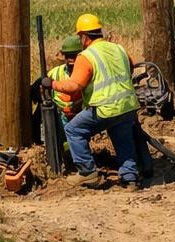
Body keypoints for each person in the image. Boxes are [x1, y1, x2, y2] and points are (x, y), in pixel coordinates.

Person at [44, 13, 152, 189]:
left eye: (80, 37)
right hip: (128, 107)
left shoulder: (87, 56)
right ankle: (130, 177)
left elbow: (74, 85)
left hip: (104, 109)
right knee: (123, 138)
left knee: (73, 129)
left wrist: (52, 84)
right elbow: (131, 66)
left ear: (84, 36)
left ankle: (87, 173)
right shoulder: (119, 49)